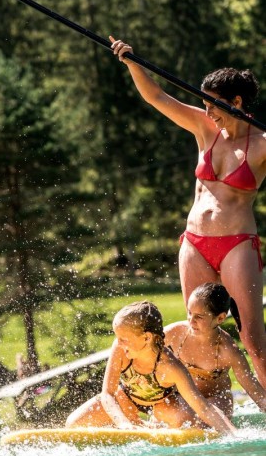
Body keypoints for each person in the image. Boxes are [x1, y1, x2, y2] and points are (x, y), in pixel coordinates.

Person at [110, 37, 266, 386]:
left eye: (213, 104)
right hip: (194, 243)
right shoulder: (204, 127)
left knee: (253, 339)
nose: (208, 111)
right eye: (205, 104)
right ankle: (214, 410)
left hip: (238, 244)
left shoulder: (261, 145)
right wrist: (132, 63)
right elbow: (157, 97)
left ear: (237, 102)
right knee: (200, 336)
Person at [65, 301, 236, 435]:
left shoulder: (170, 366)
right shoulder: (120, 348)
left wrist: (232, 434)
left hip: (162, 406)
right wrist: (122, 423)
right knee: (74, 424)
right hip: (127, 401)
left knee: (185, 421)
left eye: (124, 338)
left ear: (146, 338)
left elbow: (203, 406)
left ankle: (153, 425)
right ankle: (135, 424)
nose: (119, 343)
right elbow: (107, 394)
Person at [165, 282, 266, 417]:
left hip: (216, 398)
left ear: (220, 318)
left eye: (199, 317)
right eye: (190, 313)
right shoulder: (175, 333)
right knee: (174, 416)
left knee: (210, 421)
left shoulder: (228, 350)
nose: (191, 320)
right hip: (185, 396)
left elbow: (253, 389)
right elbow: (143, 347)